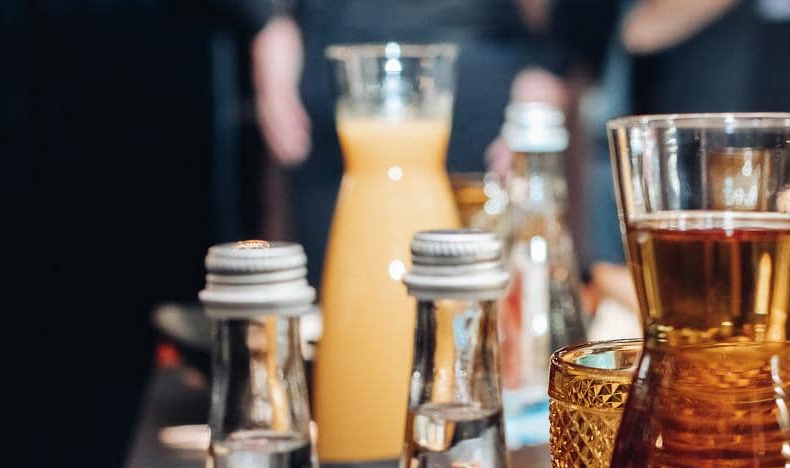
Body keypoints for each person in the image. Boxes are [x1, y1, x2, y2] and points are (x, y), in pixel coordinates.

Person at [205, 1, 564, 279]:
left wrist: (552, 61)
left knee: (472, 308)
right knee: (346, 300)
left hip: (476, 81)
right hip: (337, 76)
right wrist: (267, 19)